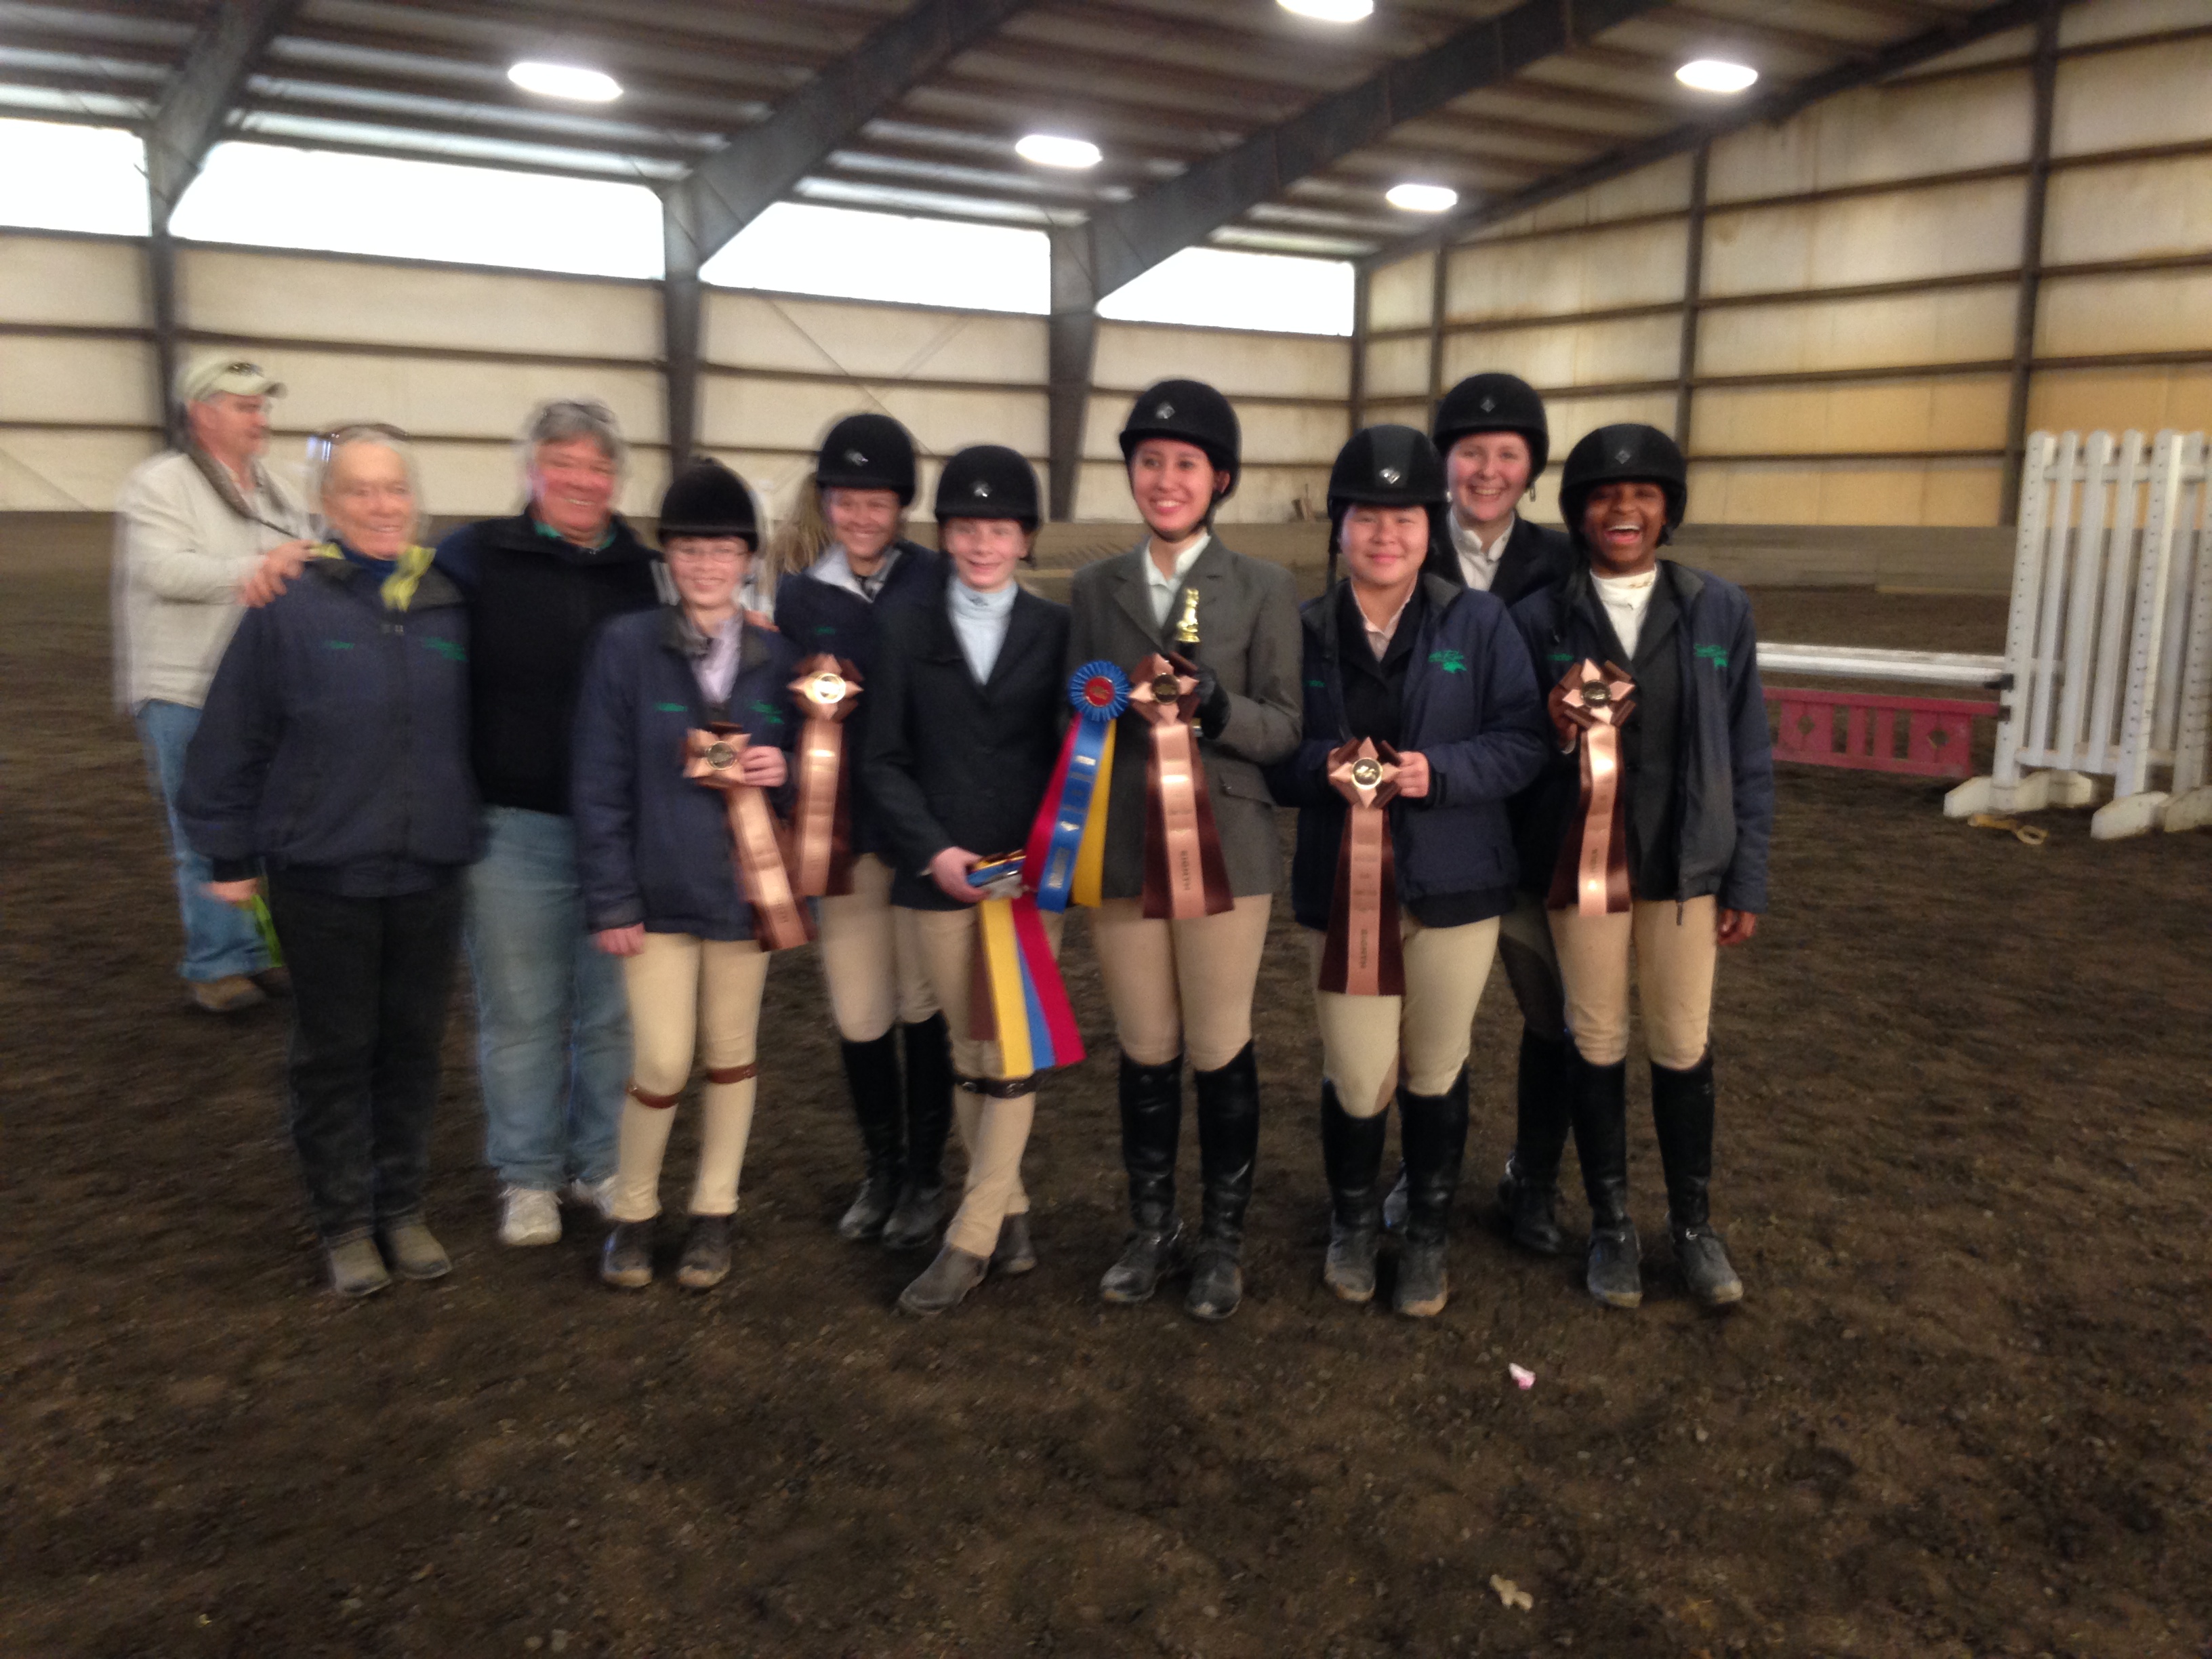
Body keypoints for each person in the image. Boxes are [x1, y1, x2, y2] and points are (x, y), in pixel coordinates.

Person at [177, 428, 477, 1296]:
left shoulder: (452, 599)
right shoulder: (287, 604)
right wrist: (227, 850)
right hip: (323, 871)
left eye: (395, 489)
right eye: (359, 490)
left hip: (429, 868)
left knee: (414, 1047)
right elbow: (232, 733)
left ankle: (402, 1206)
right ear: (326, 505)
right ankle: (344, 1220)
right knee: (336, 1050)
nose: (381, 506)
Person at [1269, 426, 1549, 1316]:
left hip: (1455, 885)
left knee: (1435, 1067)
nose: (1385, 534)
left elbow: (1524, 741)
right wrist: (1318, 767)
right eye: (1366, 517)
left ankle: (1426, 1235)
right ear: (1339, 526)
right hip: (1341, 889)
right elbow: (1273, 753)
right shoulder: (1301, 630)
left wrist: (1443, 773)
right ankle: (1353, 1222)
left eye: (1405, 517)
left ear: (1431, 528)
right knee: (1358, 1074)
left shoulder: (1481, 623)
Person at [1510, 424, 1774, 1310]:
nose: (1624, 509)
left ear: (1668, 510)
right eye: (1604, 496)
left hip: (1685, 870)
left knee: (1681, 1042)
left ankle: (1693, 1225)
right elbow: (1516, 748)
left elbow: (1749, 753)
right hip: (1583, 869)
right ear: (1579, 513)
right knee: (1595, 1039)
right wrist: (1554, 730)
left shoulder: (1719, 610)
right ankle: (1613, 1225)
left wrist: (1745, 876)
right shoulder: (1539, 618)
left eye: (1644, 495)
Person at [1065, 380, 1302, 1322]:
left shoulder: (1264, 588)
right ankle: (1152, 1226)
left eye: (1186, 464)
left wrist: (1217, 707)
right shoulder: (1093, 590)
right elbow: (1074, 714)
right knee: (1145, 1045)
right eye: (1150, 462)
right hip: (1124, 845)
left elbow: (1285, 728)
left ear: (1220, 479)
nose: (1166, 479)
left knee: (1218, 1042)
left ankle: (1223, 1239)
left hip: (1225, 851)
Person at [435, 400, 663, 1247]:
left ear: (617, 480)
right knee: (522, 1012)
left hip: (622, 837)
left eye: (598, 467)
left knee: (611, 1015)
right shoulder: (472, 557)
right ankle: (527, 1175)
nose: (580, 480)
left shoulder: (648, 573)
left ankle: (598, 1160)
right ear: (531, 470)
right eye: (562, 463)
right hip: (511, 830)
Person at [571, 459, 797, 1292]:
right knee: (663, 1062)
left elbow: (809, 769)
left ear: (748, 559)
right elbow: (598, 779)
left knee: (732, 1052)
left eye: (724, 550)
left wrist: (786, 771)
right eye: (691, 550)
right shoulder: (625, 647)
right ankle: (634, 1212)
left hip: (743, 896)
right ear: (669, 557)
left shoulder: (779, 656)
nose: (707, 565)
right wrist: (612, 899)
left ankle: (714, 1209)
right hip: (656, 898)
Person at [861, 445, 1072, 1316]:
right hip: (939, 877)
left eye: (1001, 529)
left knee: (1010, 1049)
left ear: (1025, 539)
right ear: (945, 535)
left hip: (1026, 879)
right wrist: (932, 850)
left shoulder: (1056, 631)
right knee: (968, 1049)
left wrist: (1048, 850)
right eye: (966, 528)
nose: (983, 544)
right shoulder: (902, 627)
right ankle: (1011, 1210)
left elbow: (1074, 754)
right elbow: (881, 758)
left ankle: (973, 1235)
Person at [1382, 371, 1581, 1257]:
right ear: (1445, 463)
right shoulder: (1401, 550)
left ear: (1530, 468)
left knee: (1552, 1017)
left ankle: (1532, 1176)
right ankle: (1417, 1171)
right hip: (1433, 834)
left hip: (1540, 834)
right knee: (1419, 1022)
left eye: (1508, 454)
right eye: (1471, 452)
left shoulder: (1567, 565)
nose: (1489, 471)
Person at [766, 414, 956, 1252]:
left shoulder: (939, 580)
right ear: (827, 502)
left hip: (919, 826)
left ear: (901, 506)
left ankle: (925, 1173)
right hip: (840, 829)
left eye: (878, 502)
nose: (861, 517)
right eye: (846, 501)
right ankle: (881, 1167)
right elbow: (783, 707)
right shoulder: (799, 596)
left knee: (923, 1001)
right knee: (859, 1008)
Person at [113, 358, 313, 1013]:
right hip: (185, 688)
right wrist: (261, 567)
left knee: (269, 827)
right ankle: (217, 963)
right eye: (246, 406)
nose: (261, 418)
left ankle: (260, 951)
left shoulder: (278, 490)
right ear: (202, 414)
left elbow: (304, 555)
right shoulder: (160, 484)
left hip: (262, 691)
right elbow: (163, 571)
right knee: (203, 832)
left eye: (263, 407)